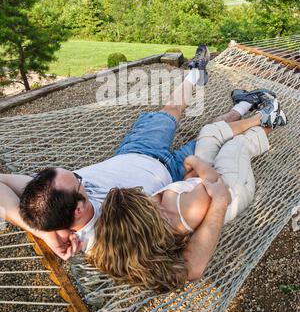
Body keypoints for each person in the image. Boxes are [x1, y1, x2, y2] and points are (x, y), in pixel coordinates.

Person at [0, 44, 281, 272]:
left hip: (134, 151)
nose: (80, 176)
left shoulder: (47, 203)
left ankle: (197, 74)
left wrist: (39, 231)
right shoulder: (107, 238)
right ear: (77, 209)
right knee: (215, 135)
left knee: (172, 110)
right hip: (173, 175)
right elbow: (187, 268)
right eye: (78, 180)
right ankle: (256, 111)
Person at [90, 96, 287, 291]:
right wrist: (193, 162)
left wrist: (187, 181)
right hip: (228, 186)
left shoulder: (138, 243)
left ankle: (249, 107)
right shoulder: (182, 208)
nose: (144, 194)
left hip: (202, 183)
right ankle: (270, 119)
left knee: (210, 132)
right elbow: (214, 184)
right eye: (142, 198)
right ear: (145, 214)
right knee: (234, 146)